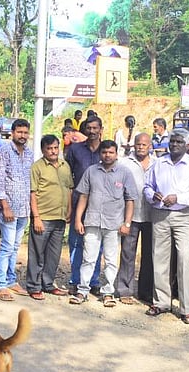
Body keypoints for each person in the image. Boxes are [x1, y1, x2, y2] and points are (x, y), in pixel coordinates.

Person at [143, 128, 189, 323]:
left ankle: (186, 308)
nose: (174, 145)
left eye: (179, 142)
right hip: (160, 214)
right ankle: (162, 302)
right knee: (160, 258)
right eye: (172, 141)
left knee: (184, 260)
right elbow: (147, 186)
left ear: (187, 144)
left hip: (184, 216)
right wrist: (151, 195)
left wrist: (179, 198)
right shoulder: (159, 163)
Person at [70, 140, 136, 306]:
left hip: (114, 224)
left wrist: (127, 223)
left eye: (111, 152)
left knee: (111, 260)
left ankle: (108, 293)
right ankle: (82, 290)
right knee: (89, 258)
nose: (107, 155)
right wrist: (78, 219)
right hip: (92, 221)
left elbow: (130, 200)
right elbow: (83, 196)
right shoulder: (91, 171)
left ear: (116, 153)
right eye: (104, 152)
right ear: (100, 154)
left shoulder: (124, 173)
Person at [27, 134, 73, 300]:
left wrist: (69, 210)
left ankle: (47, 284)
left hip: (59, 217)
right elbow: (33, 193)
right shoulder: (37, 167)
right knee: (37, 254)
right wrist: (36, 217)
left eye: (55, 148)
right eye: (49, 149)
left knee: (54, 254)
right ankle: (34, 286)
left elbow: (68, 189)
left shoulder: (64, 165)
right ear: (43, 150)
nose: (53, 151)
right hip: (43, 217)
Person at [0, 118, 34, 301]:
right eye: (19, 132)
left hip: (23, 209)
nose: (22, 136)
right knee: (7, 246)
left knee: (16, 246)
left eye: (25, 132)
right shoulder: (3, 152)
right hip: (8, 209)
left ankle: (11, 280)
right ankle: (0, 284)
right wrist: (5, 206)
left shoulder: (30, 154)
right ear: (12, 133)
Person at [65, 116, 104, 294]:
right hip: (77, 202)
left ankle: (93, 280)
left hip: (100, 205)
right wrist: (69, 206)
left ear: (101, 130)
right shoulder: (75, 149)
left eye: (95, 128)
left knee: (97, 243)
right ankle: (76, 278)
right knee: (76, 242)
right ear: (84, 130)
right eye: (89, 128)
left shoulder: (107, 150)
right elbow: (69, 177)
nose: (92, 131)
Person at [116, 133, 155, 305]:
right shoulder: (124, 163)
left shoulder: (158, 163)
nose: (140, 147)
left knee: (150, 255)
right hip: (130, 216)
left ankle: (146, 291)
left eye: (144, 145)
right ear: (133, 145)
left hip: (153, 216)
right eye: (138, 144)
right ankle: (125, 289)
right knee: (127, 253)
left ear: (150, 146)